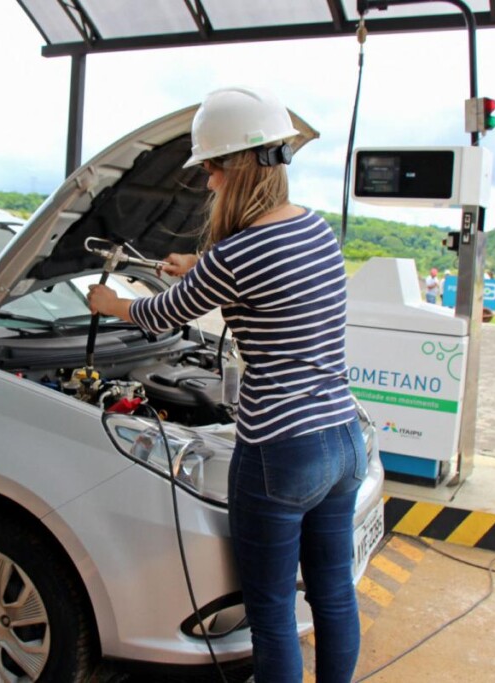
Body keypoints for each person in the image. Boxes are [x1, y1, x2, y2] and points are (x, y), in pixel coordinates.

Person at [87, 86, 365, 683]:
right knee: (334, 593)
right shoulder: (314, 231)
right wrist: (196, 265)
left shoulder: (235, 255)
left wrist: (111, 303)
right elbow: (252, 275)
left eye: (210, 168)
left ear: (236, 169)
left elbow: (159, 316)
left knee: (269, 612)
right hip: (343, 438)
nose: (207, 182)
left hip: (280, 450)